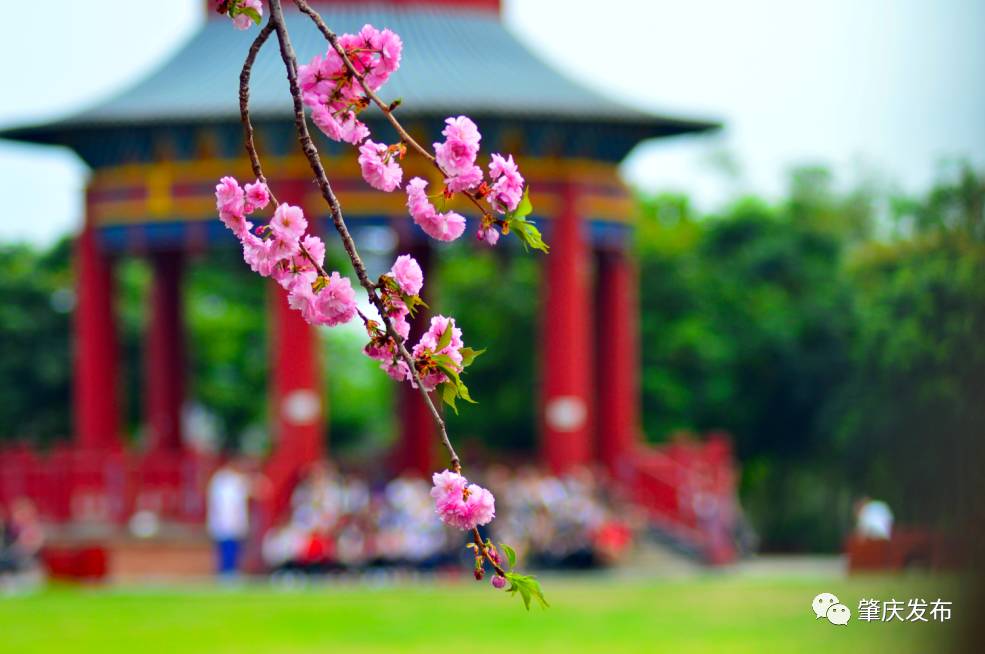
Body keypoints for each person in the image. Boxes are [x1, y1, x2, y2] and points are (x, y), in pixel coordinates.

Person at [207, 458, 253, 577]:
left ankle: (231, 571)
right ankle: (226, 572)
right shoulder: (221, 480)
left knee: (235, 548)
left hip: (234, 520)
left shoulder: (237, 480)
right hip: (224, 521)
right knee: (226, 548)